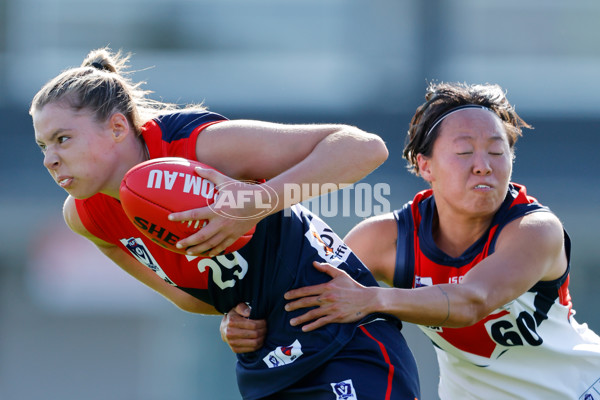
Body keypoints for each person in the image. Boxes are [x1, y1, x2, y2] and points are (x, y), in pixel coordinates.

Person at [30, 47, 421, 400]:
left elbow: (364, 148)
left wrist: (257, 202)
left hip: (344, 341)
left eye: (63, 139)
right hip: (268, 367)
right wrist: (230, 321)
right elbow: (186, 295)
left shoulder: (198, 147)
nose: (50, 159)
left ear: (117, 128)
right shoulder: (85, 216)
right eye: (43, 146)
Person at [222, 82, 600, 399]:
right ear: (425, 166)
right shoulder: (385, 239)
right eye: (464, 151)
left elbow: (473, 301)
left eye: (498, 151)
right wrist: (242, 325)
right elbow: (301, 301)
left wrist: (373, 298)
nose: (483, 164)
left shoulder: (535, 230)